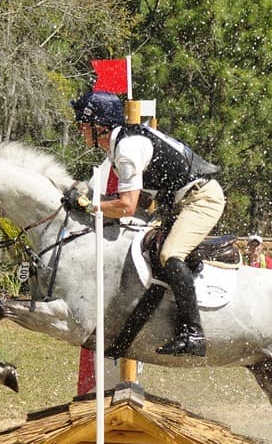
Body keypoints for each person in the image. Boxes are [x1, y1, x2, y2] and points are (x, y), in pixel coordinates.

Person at [70, 90, 225, 357]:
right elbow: (140, 201)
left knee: (170, 254)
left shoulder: (127, 149)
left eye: (83, 126)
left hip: (201, 199)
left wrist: (89, 205)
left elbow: (127, 206)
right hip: (179, 203)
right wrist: (94, 199)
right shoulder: (123, 144)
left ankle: (194, 334)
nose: (80, 132)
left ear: (99, 126)